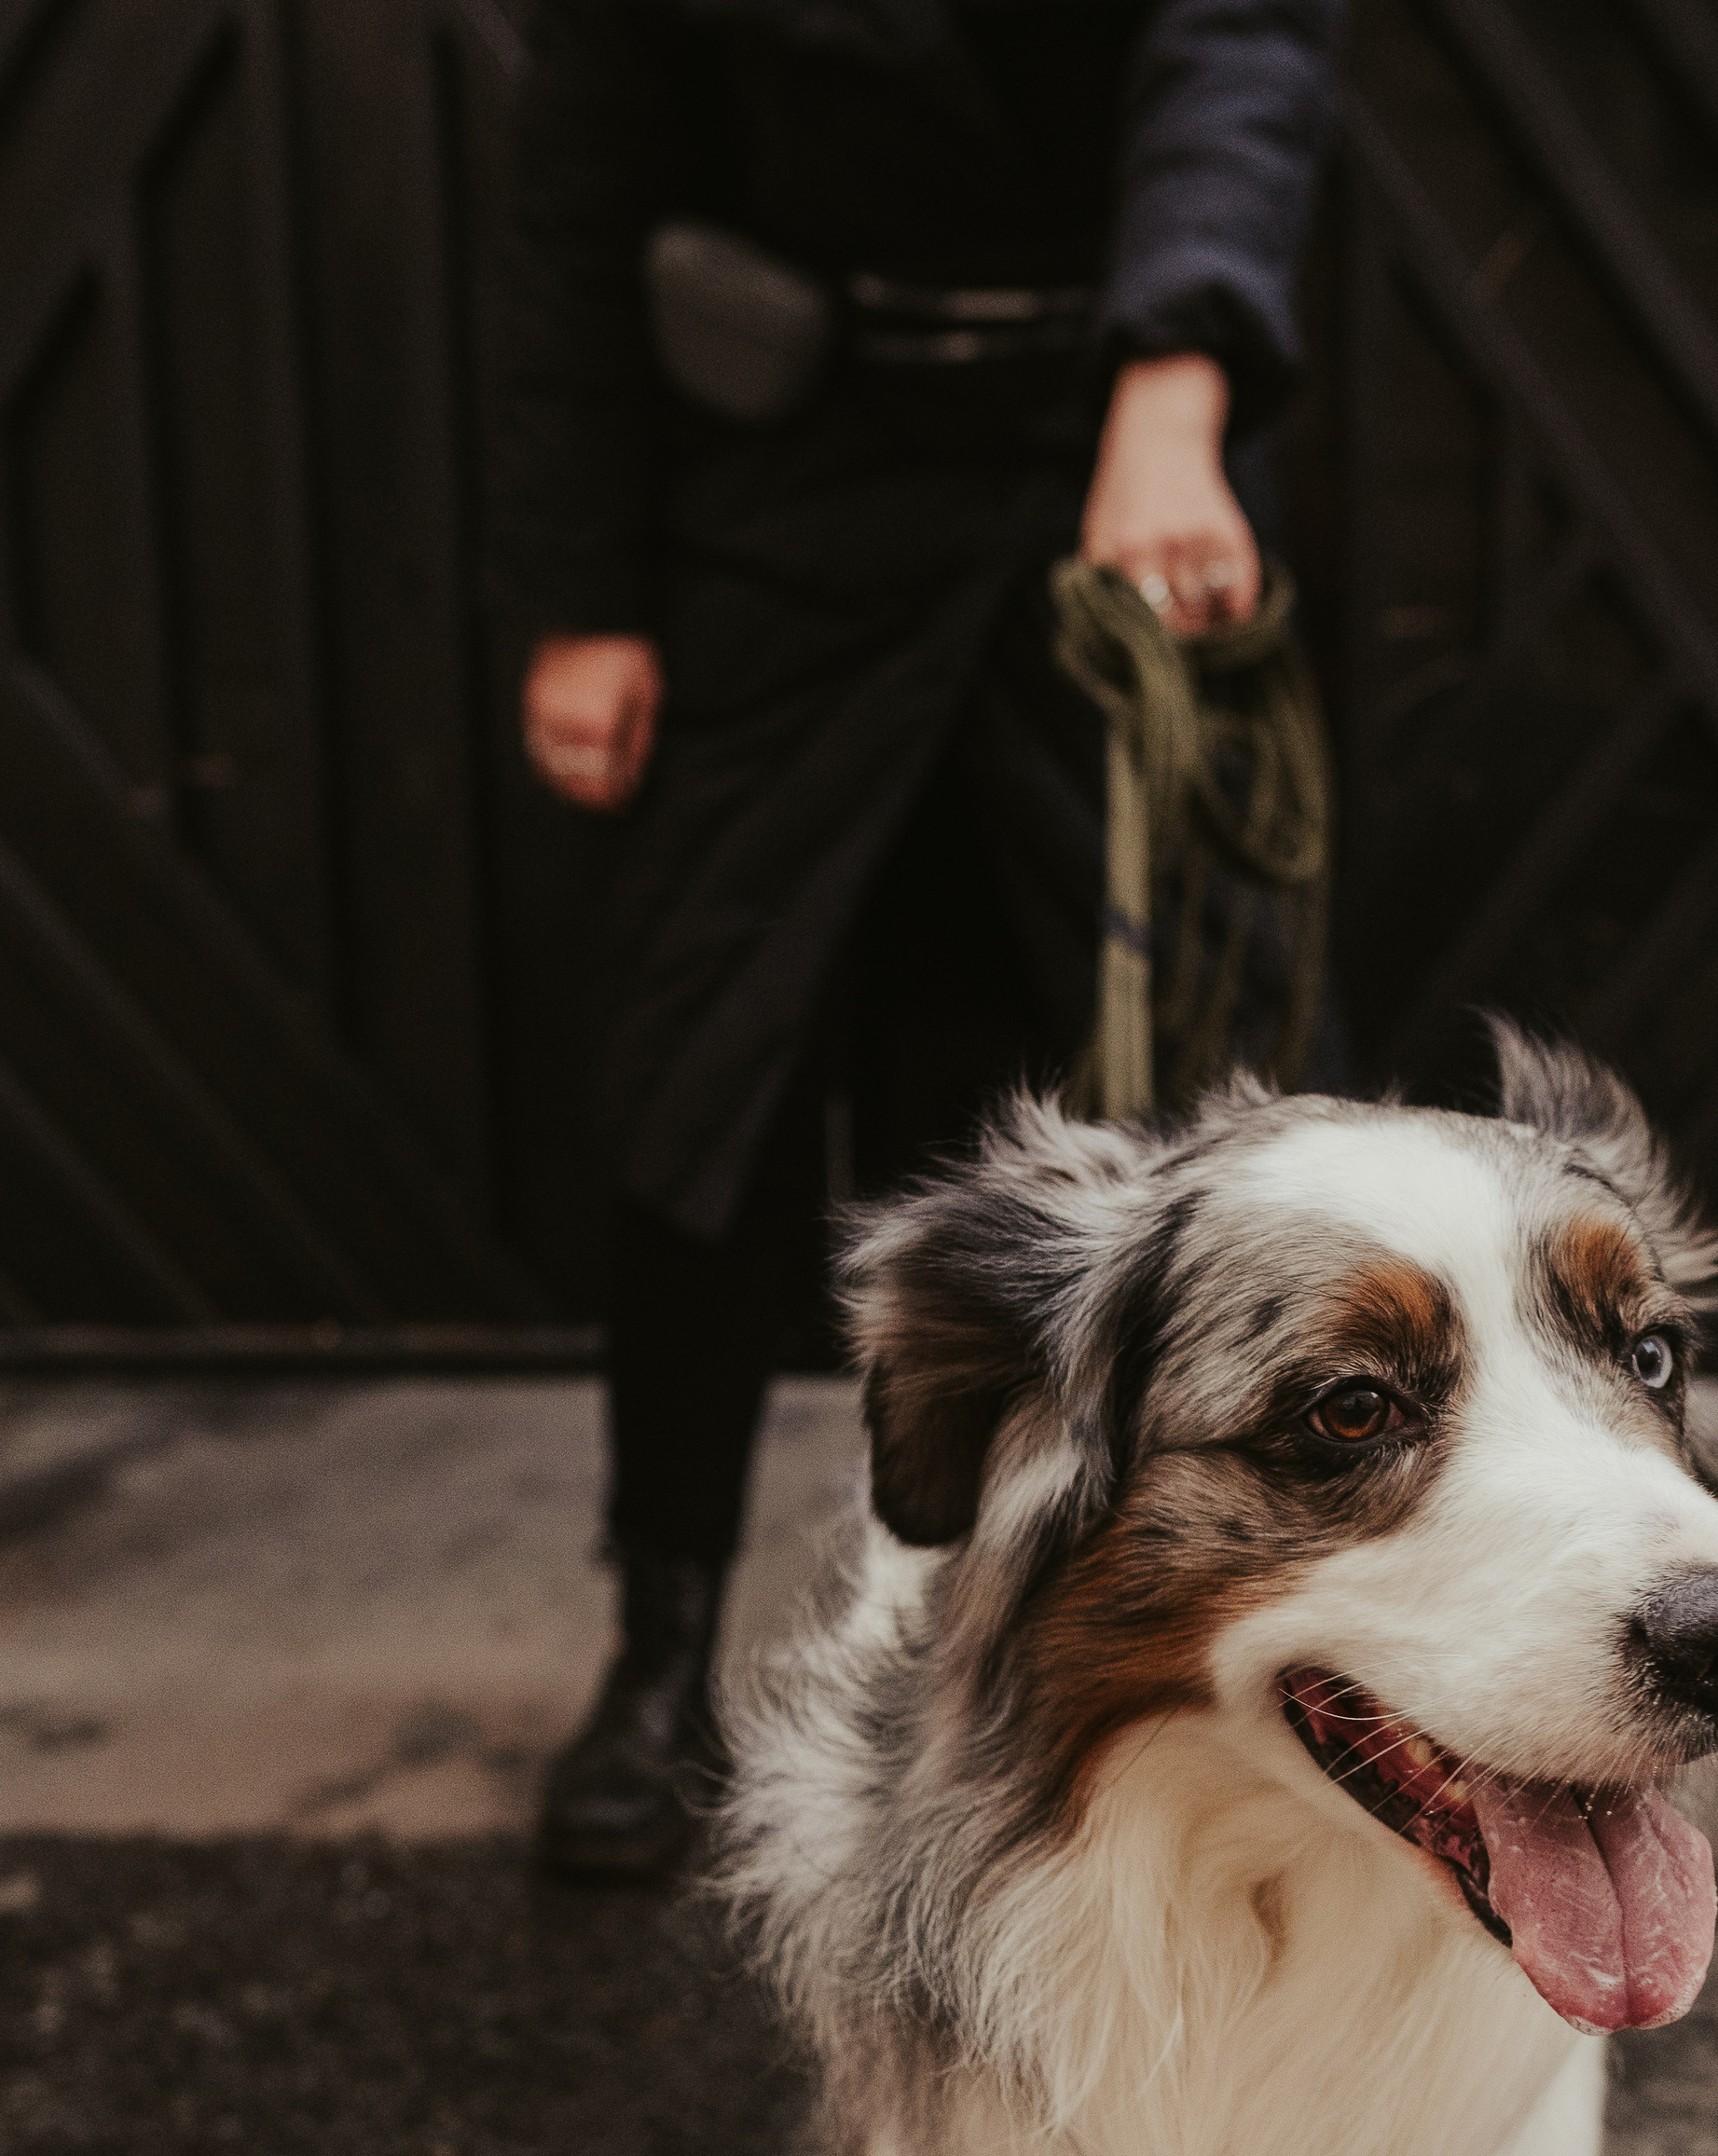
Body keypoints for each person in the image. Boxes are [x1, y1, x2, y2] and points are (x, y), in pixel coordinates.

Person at [491, 0, 1345, 1879]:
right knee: (704, 1090)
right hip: (789, 504)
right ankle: (655, 1654)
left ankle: (1150, 1654)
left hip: (1121, 482)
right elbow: (578, 209)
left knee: (1171, 1111)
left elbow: (1237, 55)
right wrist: (580, 597)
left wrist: (1175, 381)